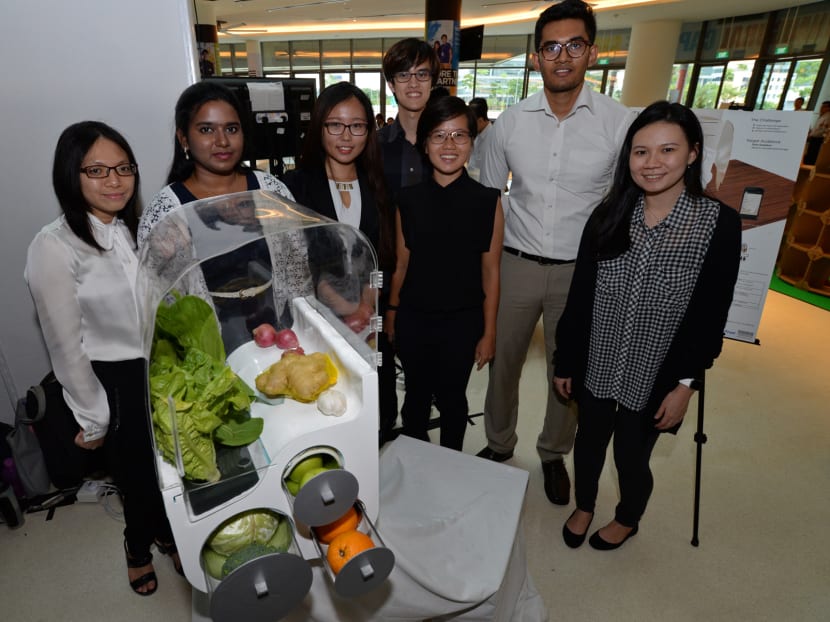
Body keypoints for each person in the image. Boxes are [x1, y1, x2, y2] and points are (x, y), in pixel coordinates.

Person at [553, 101, 741, 550]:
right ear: (628, 159)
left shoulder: (718, 224)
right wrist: (565, 359)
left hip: (657, 370)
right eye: (641, 152)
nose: (652, 163)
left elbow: (711, 315)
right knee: (589, 442)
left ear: (693, 153)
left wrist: (686, 385)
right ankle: (584, 504)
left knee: (631, 456)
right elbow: (580, 298)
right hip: (598, 360)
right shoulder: (608, 216)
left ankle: (628, 517)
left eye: (667, 150)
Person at [477, 0, 636, 508]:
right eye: (550, 47)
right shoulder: (511, 123)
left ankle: (552, 453)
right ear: (536, 56)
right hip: (517, 264)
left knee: (567, 373)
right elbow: (486, 195)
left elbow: (629, 199)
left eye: (574, 45)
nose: (561, 56)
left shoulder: (618, 123)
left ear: (592, 52)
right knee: (503, 363)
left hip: (582, 273)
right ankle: (500, 444)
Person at [25, 121, 181, 596]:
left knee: (171, 467)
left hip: (160, 365)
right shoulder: (53, 244)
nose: (114, 181)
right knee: (136, 476)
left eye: (123, 168)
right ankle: (137, 547)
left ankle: (166, 532)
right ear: (71, 175)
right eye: (97, 170)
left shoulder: (135, 228)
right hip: (112, 379)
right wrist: (93, 417)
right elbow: (65, 344)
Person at [138, 82, 309, 339]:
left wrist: (304, 328)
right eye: (206, 130)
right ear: (184, 138)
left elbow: (299, 268)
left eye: (231, 129)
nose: (222, 141)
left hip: (278, 331)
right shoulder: (167, 211)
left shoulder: (270, 191)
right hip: (206, 344)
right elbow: (157, 299)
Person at [387, 96, 504, 451]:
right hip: (414, 318)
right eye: (439, 136)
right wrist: (391, 314)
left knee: (454, 400)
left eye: (459, 135)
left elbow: (491, 271)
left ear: (472, 142)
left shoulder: (488, 201)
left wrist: (489, 332)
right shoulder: (408, 200)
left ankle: (454, 467)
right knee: (415, 400)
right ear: (425, 144)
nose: (449, 145)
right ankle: (418, 465)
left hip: (462, 322)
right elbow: (402, 264)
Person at [283, 81, 390, 332]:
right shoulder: (295, 188)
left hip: (369, 317)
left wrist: (368, 301)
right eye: (335, 125)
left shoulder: (379, 186)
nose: (346, 136)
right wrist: (345, 305)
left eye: (356, 126)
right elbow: (293, 264)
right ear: (319, 127)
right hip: (317, 322)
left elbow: (383, 256)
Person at [377, 38, 441, 443]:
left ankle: (418, 444)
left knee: (424, 372)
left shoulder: (450, 142)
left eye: (422, 74)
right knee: (382, 360)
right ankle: (383, 433)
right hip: (385, 273)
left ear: (434, 80)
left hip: (436, 276)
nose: (413, 83)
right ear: (392, 84)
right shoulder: (376, 146)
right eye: (404, 75)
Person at [467, 97, 492, 175]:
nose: (469, 126)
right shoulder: (476, 134)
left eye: (471, 123)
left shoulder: (493, 138)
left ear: (480, 121)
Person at [804, 100, 830, 165]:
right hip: (814, 138)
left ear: (828, 108)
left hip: (818, 139)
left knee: (813, 155)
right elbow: (816, 128)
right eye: (821, 106)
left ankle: (809, 169)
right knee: (809, 154)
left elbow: (824, 130)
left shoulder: (828, 117)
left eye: (824, 107)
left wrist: (811, 135)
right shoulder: (822, 116)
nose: (821, 108)